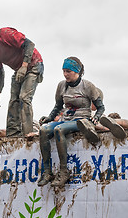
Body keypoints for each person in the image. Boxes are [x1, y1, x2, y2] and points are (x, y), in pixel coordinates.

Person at [37, 57, 105, 187]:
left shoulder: (87, 86)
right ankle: (47, 171)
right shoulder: (61, 85)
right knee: (44, 130)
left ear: (76, 71)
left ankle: (63, 171)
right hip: (66, 118)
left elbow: (101, 107)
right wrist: (49, 118)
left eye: (68, 71)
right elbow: (57, 106)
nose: (65, 74)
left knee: (59, 130)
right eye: (63, 71)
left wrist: (96, 117)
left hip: (81, 120)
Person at [0, 16, 44, 137]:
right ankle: (13, 134)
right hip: (19, 70)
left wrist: (24, 65)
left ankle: (29, 133)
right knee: (13, 101)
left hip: (33, 64)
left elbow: (29, 44)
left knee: (24, 97)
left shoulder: (6, 34)